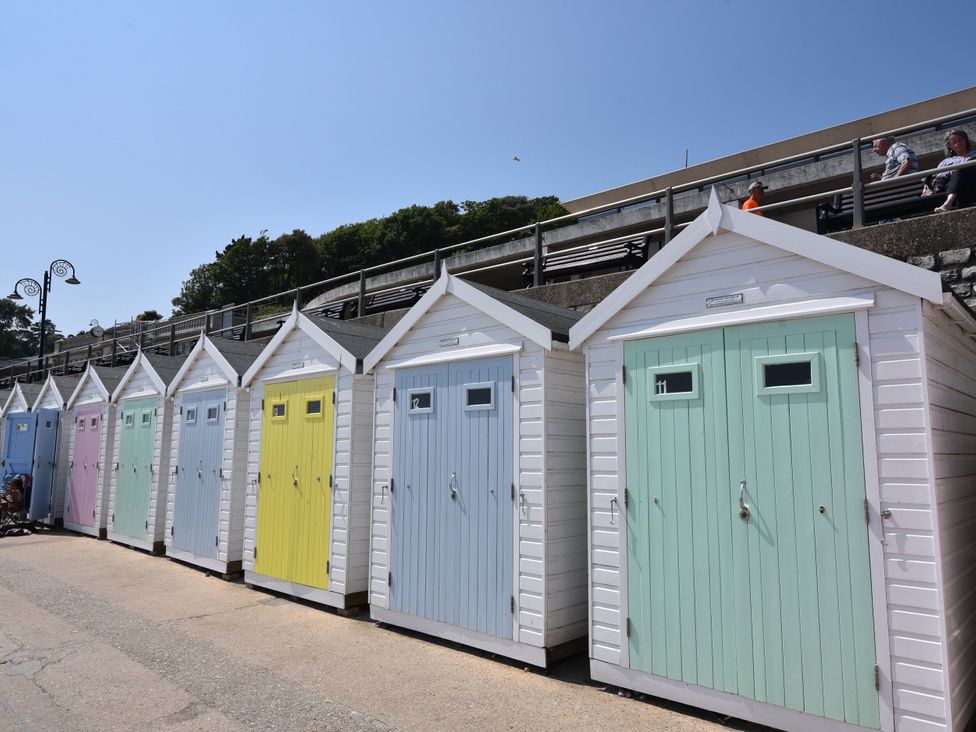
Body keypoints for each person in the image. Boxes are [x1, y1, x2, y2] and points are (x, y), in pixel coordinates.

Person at [934, 129, 976, 212]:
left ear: (965, 141)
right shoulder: (946, 162)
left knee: (961, 170)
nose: (958, 143)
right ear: (950, 146)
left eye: (960, 140)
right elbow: (939, 177)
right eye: (954, 142)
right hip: (954, 184)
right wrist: (949, 172)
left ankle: (947, 204)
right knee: (959, 174)